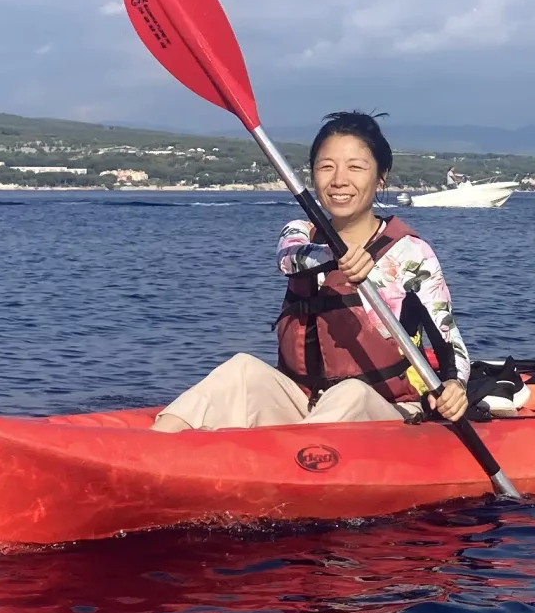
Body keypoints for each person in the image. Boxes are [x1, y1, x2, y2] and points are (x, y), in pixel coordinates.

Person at [155, 110, 475, 431]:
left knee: (349, 393)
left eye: (356, 167)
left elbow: (450, 344)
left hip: (385, 409)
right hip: (304, 402)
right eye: (326, 167)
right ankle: (157, 448)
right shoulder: (301, 235)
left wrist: (455, 386)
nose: (338, 180)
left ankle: (297, 463)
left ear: (381, 177)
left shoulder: (409, 254)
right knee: (240, 369)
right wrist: (334, 255)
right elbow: (288, 260)